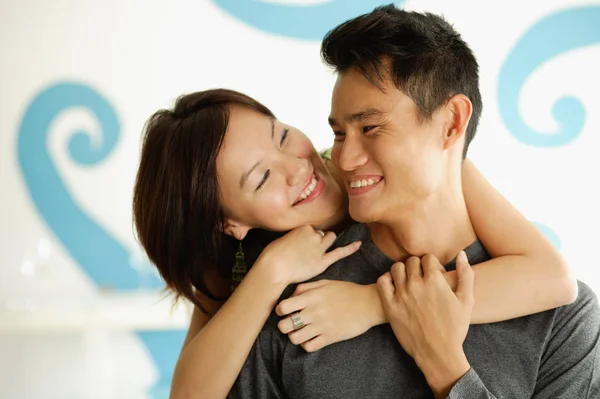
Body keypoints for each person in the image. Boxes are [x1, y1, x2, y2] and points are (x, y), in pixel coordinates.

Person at [227, 5, 599, 399]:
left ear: (452, 122)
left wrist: (447, 370)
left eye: (370, 128)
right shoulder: (300, 303)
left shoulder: (560, 320)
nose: (345, 160)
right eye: (338, 134)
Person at [133, 89, 575, 399]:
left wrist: (371, 305)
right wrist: (272, 272)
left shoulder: (393, 166)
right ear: (229, 224)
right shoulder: (239, 264)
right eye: (263, 177)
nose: (297, 167)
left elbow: (552, 279)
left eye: (283, 135)